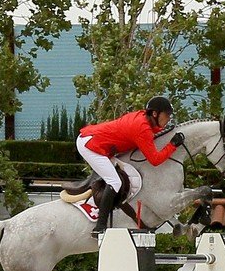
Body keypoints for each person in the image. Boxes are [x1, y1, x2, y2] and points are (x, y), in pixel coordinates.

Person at [76, 96, 184, 233]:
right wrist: (172, 145)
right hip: (90, 145)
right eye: (167, 115)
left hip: (95, 140)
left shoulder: (143, 118)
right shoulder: (142, 127)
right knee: (115, 182)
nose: (169, 118)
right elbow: (155, 160)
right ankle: (100, 226)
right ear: (155, 114)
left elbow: (152, 134)